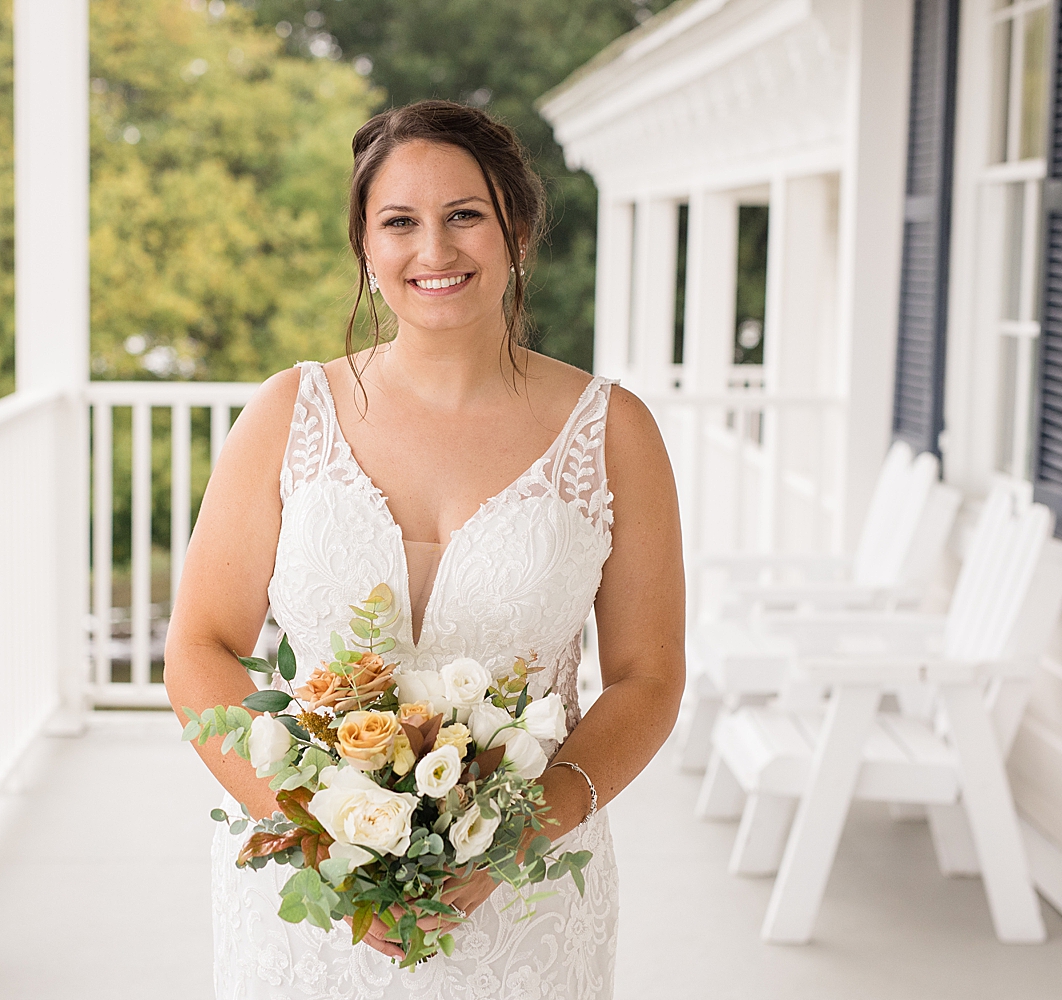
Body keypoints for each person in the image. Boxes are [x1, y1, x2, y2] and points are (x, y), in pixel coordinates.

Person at [163, 99, 684, 999]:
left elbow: (648, 678)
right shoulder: (288, 416)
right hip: (309, 899)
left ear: (516, 230)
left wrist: (508, 845)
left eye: (465, 217)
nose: (434, 252)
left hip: (526, 901)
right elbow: (199, 646)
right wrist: (321, 838)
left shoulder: (613, 432)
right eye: (399, 222)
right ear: (365, 246)